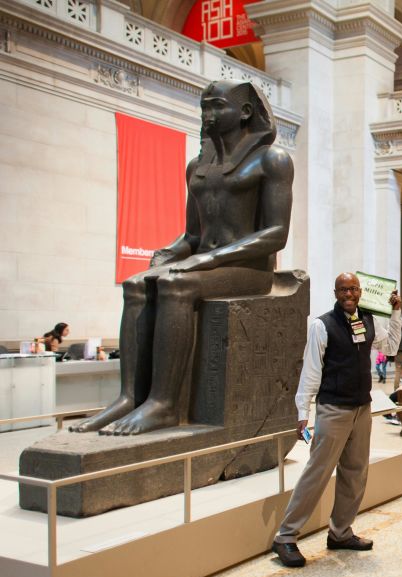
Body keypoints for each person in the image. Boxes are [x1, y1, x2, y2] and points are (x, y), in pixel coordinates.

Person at [72, 80, 293, 435]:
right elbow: (193, 235)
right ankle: (129, 397)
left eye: (218, 106)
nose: (208, 115)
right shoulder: (197, 166)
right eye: (205, 107)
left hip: (250, 270)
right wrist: (169, 252)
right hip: (209, 264)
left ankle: (164, 404)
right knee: (136, 285)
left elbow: (275, 235)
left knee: (177, 285)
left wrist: (206, 260)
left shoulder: (272, 159)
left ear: (246, 112)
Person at [271, 273, 401, 568]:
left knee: (355, 473)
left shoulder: (368, 320)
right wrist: (303, 411)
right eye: (343, 289)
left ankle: (340, 532)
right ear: (335, 292)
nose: (349, 294)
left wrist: (395, 311)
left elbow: (391, 347)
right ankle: (285, 536)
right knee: (317, 473)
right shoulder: (322, 325)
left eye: (353, 289)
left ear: (360, 291)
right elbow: (311, 370)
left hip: (361, 409)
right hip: (332, 409)